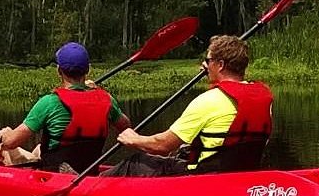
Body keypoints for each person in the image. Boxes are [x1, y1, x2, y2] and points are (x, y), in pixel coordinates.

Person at [106, 34, 272, 177]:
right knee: (183, 150)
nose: (204, 66)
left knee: (135, 162)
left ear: (220, 65)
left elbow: (163, 146)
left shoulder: (210, 100)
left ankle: (90, 186)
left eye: (208, 60)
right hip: (243, 175)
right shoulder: (263, 99)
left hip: (205, 179)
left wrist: (134, 139)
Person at [0, 42, 130, 173]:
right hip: (88, 171)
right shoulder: (107, 100)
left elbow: (12, 142)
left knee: (4, 144)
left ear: (59, 71)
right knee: (38, 149)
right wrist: (95, 91)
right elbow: (126, 126)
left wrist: (4, 136)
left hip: (54, 176)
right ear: (88, 69)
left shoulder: (49, 102)